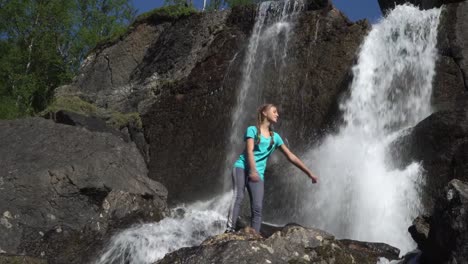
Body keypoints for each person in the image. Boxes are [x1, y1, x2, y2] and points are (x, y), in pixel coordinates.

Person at [225, 103, 319, 234]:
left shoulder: (275, 138)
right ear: (264, 113)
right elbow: (249, 150)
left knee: (257, 208)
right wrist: (252, 170)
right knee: (238, 196)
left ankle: (254, 236)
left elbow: (291, 156)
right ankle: (229, 230)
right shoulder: (252, 130)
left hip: (258, 174)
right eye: (274, 111)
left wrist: (309, 173)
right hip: (242, 168)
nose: (277, 114)